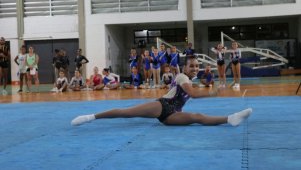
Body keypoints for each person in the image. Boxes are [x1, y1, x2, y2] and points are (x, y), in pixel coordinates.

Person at [71, 56, 252, 127]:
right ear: (184, 67)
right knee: (125, 113)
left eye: (197, 66)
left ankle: (230, 119)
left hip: (172, 115)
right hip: (161, 106)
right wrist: (214, 92)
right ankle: (90, 117)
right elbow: (195, 94)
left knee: (197, 116)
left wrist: (210, 83)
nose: (195, 68)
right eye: (192, 66)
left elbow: (195, 87)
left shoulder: (190, 78)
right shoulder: (182, 77)